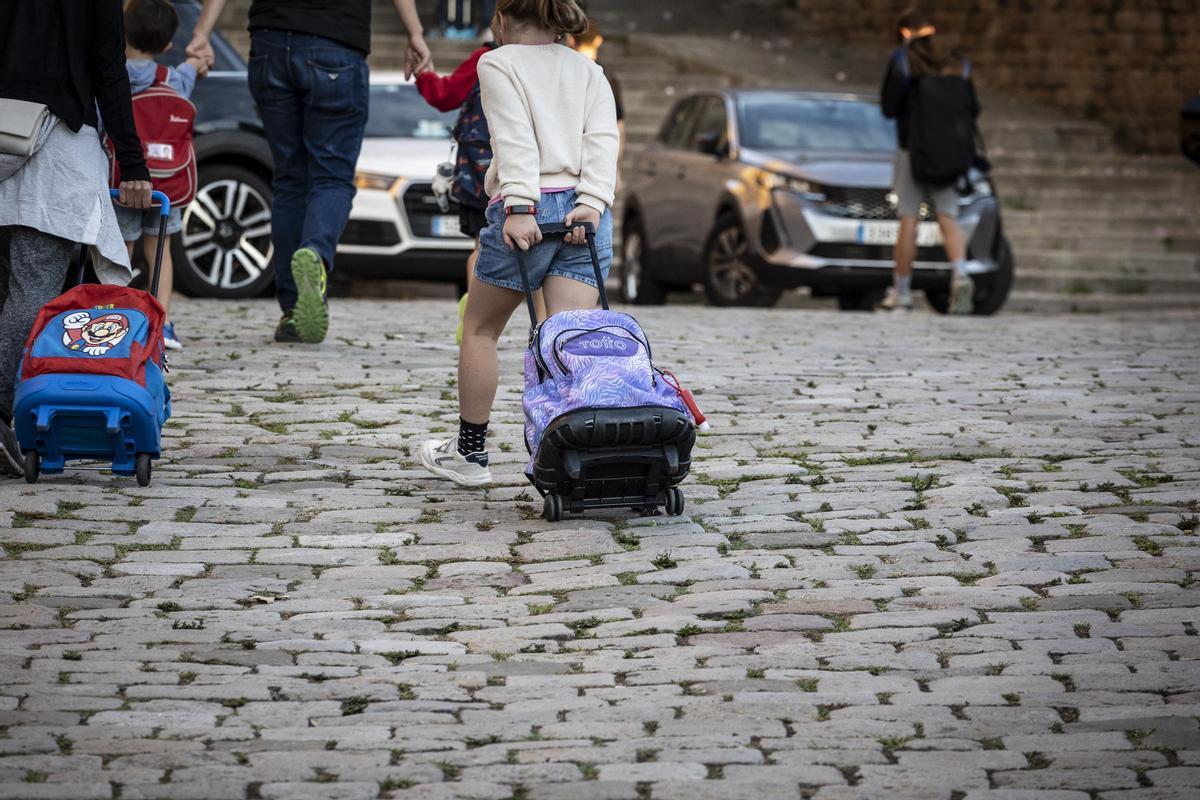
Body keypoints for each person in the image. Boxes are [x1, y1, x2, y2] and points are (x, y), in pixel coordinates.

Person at [418, 0, 619, 487]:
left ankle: (470, 454)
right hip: (583, 216)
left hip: (527, 209)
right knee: (570, 340)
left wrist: (521, 206)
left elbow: (514, 140)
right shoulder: (588, 69)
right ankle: (577, 456)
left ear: (503, 19)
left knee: (481, 330)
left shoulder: (497, 61)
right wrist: (591, 203)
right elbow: (602, 140)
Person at [186, 0, 433, 344]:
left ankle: (292, 312)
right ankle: (315, 253)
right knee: (331, 177)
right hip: (336, 45)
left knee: (289, 180)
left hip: (270, 45)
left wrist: (201, 33)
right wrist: (415, 33)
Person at [0, 0, 153, 478]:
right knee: (33, 285)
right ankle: (3, 412)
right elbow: (109, 69)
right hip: (54, 146)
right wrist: (132, 162)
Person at [114, 0, 208, 351]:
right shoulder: (175, 79)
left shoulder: (112, 75)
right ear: (167, 44)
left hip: (121, 179)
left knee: (120, 250)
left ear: (122, 34)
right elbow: (194, 66)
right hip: (167, 183)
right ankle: (163, 322)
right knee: (160, 251)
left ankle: (116, 319)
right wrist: (199, 58)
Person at [879, 9, 979, 314]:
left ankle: (902, 290)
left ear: (906, 32)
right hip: (949, 153)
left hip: (913, 149)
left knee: (908, 219)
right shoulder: (958, 61)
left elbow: (888, 106)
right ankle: (961, 274)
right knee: (948, 216)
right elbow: (974, 108)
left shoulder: (904, 60)